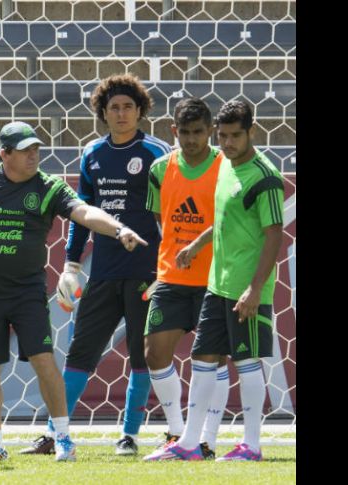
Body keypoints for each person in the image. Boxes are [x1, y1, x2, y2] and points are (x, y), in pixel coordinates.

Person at [0, 121, 147, 463]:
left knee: (44, 361)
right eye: (25, 151)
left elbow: (83, 211)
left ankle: (63, 439)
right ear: (4, 154)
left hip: (27, 294)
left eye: (36, 150)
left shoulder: (48, 186)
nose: (33, 156)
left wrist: (118, 229)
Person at [22, 73, 171, 456]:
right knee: (80, 353)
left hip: (146, 272)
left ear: (140, 111)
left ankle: (130, 436)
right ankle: (55, 434)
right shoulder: (92, 153)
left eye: (128, 107)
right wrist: (71, 265)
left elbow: (170, 216)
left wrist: (167, 269)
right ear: (103, 113)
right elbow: (81, 213)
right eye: (114, 107)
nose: (121, 114)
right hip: (103, 271)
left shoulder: (157, 152)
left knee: (142, 356)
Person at [144, 100, 284, 461]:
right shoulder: (226, 168)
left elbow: (274, 234)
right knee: (202, 359)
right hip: (216, 284)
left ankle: (251, 445)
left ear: (251, 132)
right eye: (223, 136)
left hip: (246, 288)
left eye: (235, 135)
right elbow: (222, 221)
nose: (228, 143)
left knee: (247, 362)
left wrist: (255, 288)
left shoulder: (265, 176)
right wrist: (196, 245)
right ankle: (190, 443)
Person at [141, 97, 228, 460]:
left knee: (214, 361)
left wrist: (198, 245)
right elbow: (159, 219)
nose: (191, 140)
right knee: (154, 352)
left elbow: (230, 219)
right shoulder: (160, 169)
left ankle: (207, 440)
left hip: (215, 279)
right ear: (173, 131)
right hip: (172, 277)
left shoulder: (225, 167)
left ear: (211, 131)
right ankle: (177, 432)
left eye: (198, 132)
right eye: (185, 133)